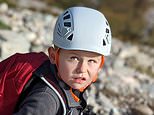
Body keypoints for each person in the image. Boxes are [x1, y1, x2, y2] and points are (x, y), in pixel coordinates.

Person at [2, 6, 112, 115]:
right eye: (74, 58)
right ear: (54, 56)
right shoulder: (46, 100)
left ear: (100, 64)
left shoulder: (70, 84)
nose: (82, 69)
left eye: (91, 61)